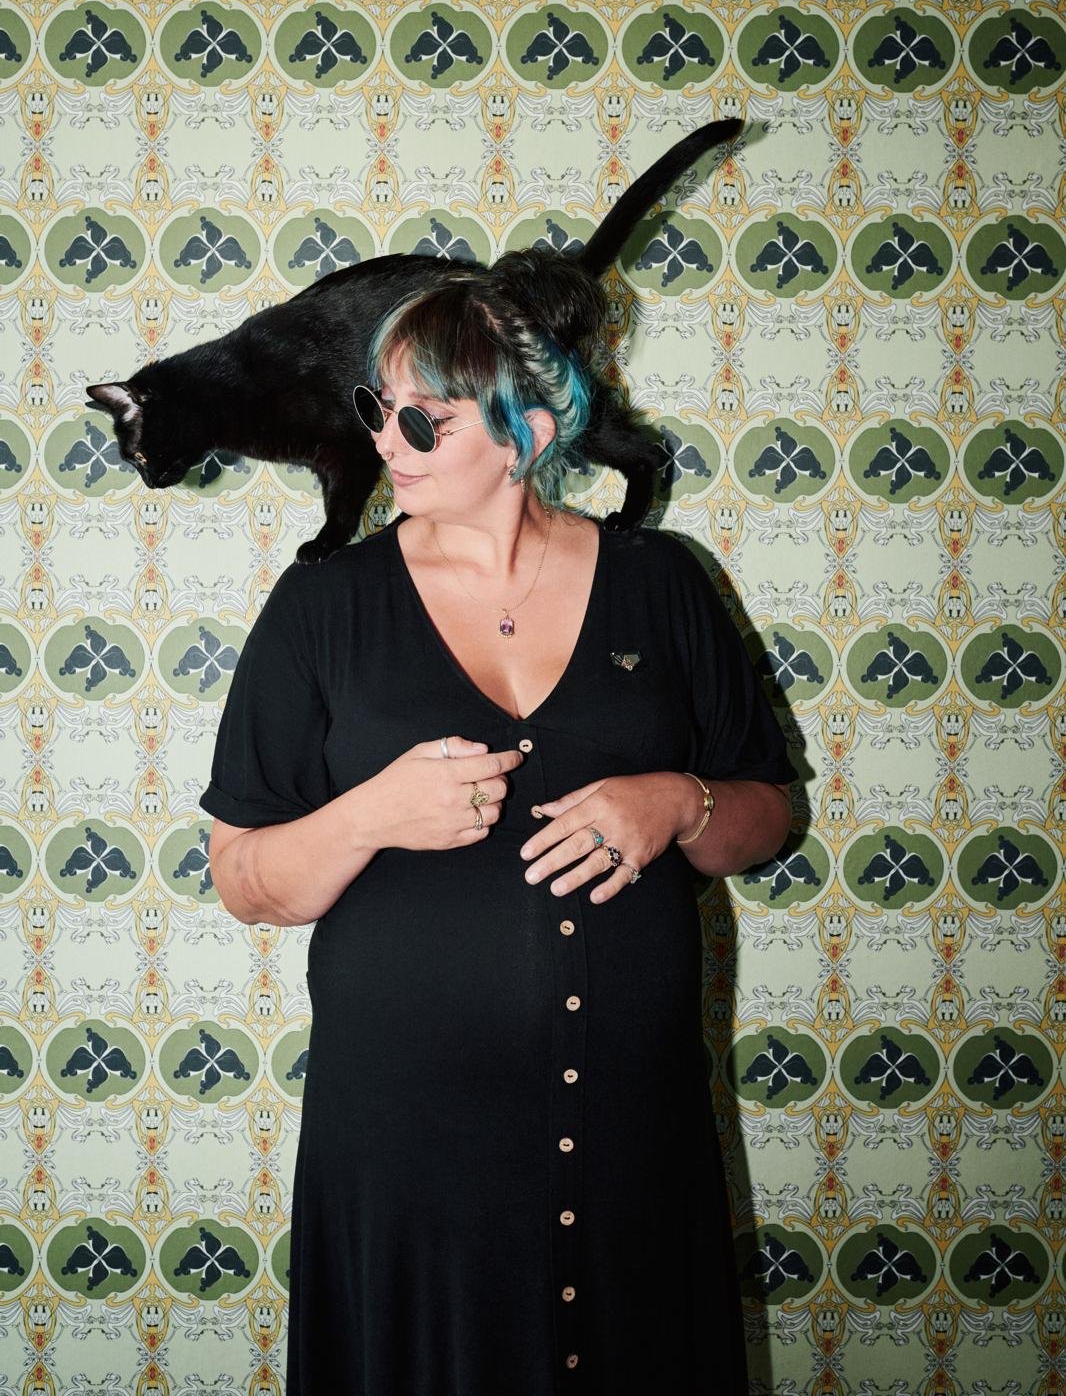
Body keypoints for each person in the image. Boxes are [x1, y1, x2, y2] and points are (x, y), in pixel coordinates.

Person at [200, 267, 796, 1395]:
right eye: (378, 408)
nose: (387, 440)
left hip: (630, 1129)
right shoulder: (322, 607)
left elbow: (764, 814)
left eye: (424, 417)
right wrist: (373, 813)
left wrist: (679, 801)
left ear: (529, 430)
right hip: (408, 1147)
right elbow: (244, 877)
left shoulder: (661, 582)